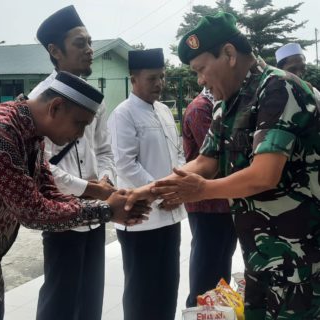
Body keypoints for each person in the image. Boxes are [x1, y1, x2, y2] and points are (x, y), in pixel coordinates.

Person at [125, 12, 320, 320]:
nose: (199, 79)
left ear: (229, 54)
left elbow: (264, 174)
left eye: (202, 69)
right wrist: (149, 191)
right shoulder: (227, 103)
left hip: (303, 258)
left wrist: (202, 190)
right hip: (261, 257)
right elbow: (206, 160)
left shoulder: (279, 88)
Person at [0, 71, 148, 320]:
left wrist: (107, 203)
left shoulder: (31, 132)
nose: (80, 135)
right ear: (56, 107)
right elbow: (34, 212)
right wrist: (106, 210)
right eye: (79, 124)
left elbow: (47, 192)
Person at [27, 6, 116, 320]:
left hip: (95, 215)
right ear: (55, 51)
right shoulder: (40, 101)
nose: (90, 50)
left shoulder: (96, 98)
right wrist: (89, 189)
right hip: (62, 217)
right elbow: (42, 167)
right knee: (60, 303)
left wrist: (104, 180)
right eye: (80, 44)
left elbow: (105, 149)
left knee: (91, 301)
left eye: (90, 42)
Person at [107, 48, 186, 320]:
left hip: (171, 212)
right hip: (141, 217)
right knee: (142, 289)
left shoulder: (164, 111)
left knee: (168, 284)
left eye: (162, 77)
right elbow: (126, 164)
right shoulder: (123, 114)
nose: (159, 84)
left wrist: (179, 187)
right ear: (134, 80)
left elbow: (178, 153)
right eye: (152, 78)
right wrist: (162, 191)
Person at [182, 88, 237, 307]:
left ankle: (217, 312)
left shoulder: (224, 104)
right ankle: (198, 312)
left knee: (221, 273)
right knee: (205, 275)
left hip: (226, 200)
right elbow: (220, 155)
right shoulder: (200, 109)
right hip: (206, 205)